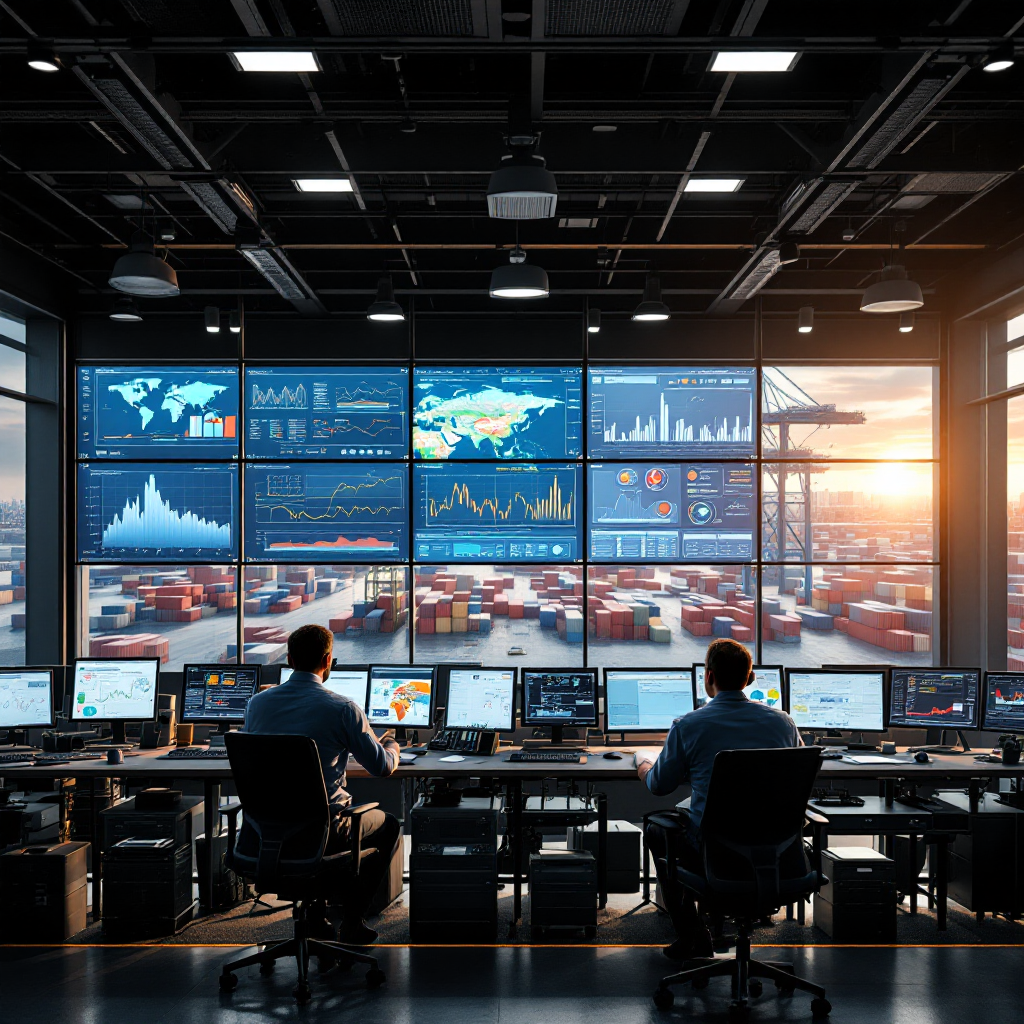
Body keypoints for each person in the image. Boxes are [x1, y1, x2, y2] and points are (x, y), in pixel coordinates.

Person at [636, 638, 802, 962]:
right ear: (749, 677)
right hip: (776, 853)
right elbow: (797, 778)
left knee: (657, 830)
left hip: (714, 855)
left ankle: (692, 935)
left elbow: (659, 785)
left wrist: (642, 764)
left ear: (709, 676)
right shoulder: (784, 723)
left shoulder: (688, 725)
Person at [243, 623, 401, 945]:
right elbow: (382, 767)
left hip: (264, 834)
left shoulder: (256, 705)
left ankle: (316, 917)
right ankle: (352, 922)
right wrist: (392, 745)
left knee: (310, 816)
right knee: (389, 826)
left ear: (289, 659)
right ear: (328, 660)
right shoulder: (343, 709)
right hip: (324, 833)